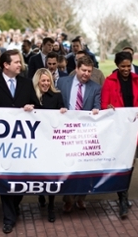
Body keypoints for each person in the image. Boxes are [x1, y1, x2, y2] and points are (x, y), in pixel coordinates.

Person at [0, 49, 40, 234]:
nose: (20, 65)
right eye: (16, 62)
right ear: (6, 65)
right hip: (1, 144)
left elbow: (37, 107)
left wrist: (32, 106)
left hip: (23, 143)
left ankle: (14, 207)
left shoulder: (26, 83)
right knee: (6, 178)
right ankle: (9, 218)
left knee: (21, 178)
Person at [101, 51, 138, 218]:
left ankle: (124, 195)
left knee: (130, 165)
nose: (126, 69)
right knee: (120, 164)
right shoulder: (109, 82)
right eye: (122, 66)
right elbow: (104, 105)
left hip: (135, 129)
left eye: (128, 66)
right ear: (117, 65)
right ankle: (122, 198)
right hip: (118, 131)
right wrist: (108, 109)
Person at [57, 55, 101, 212]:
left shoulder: (95, 88)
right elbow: (55, 102)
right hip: (65, 132)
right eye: (83, 70)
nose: (86, 74)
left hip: (85, 133)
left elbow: (98, 106)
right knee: (67, 166)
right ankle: (68, 199)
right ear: (76, 69)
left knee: (85, 167)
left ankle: (81, 198)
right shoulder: (62, 83)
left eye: (89, 71)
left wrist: (97, 111)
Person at [32, 68, 67, 222]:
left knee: (51, 173)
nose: (46, 83)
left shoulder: (57, 96)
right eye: (43, 81)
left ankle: (51, 205)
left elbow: (63, 114)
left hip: (52, 141)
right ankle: (41, 196)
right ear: (37, 81)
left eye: (48, 81)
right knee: (39, 171)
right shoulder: (31, 96)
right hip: (36, 141)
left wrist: (65, 111)